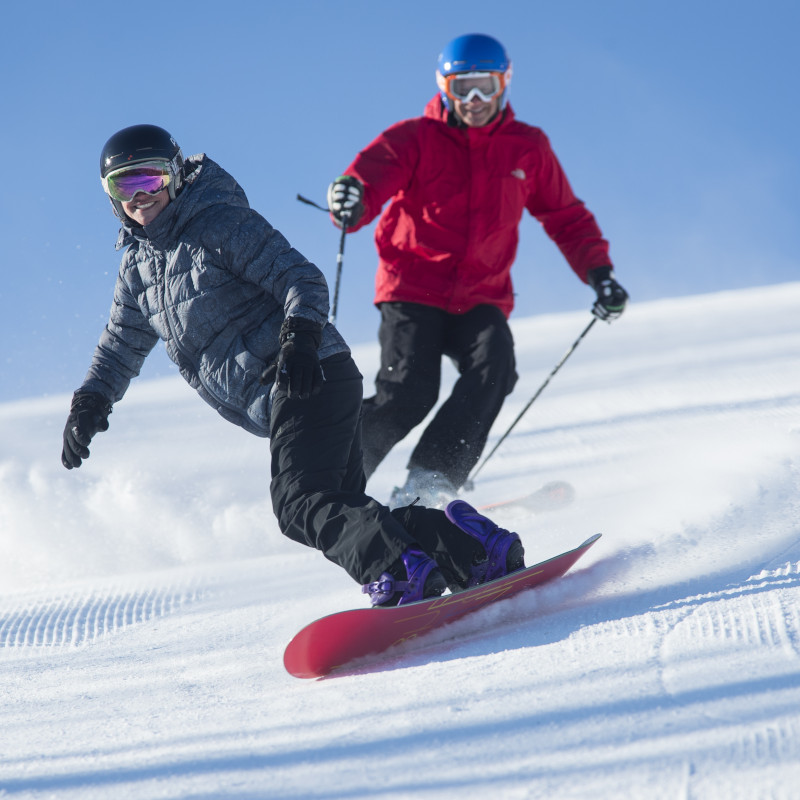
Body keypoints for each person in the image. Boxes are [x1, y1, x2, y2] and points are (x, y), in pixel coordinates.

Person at [61, 123, 527, 608]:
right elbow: (118, 346)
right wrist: (91, 400)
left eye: (151, 180)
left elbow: (300, 277)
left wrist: (300, 339)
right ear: (111, 197)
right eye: (126, 187)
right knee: (343, 506)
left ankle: (394, 569)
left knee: (299, 502)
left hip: (306, 374)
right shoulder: (138, 271)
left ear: (175, 176)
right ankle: (473, 549)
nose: (141, 198)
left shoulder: (216, 223)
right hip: (291, 395)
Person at [328, 33, 629, 508]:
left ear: (503, 84)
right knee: (408, 389)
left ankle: (429, 481)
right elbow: (367, 179)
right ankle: (331, 480)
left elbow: (565, 216)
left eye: (484, 87)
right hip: (413, 287)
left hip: (480, 295)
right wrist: (352, 198)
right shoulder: (415, 137)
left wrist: (599, 273)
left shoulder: (525, 147)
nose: (474, 100)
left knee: (495, 366)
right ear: (444, 87)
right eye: (462, 87)